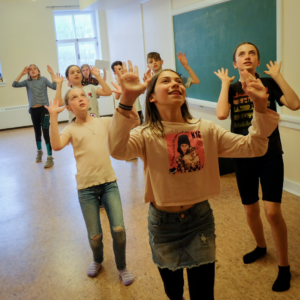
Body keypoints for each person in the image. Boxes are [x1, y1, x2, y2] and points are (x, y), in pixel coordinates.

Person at [107, 61, 279, 300]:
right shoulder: (146, 133)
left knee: (203, 294)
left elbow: (255, 146)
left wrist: (260, 106)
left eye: (178, 80)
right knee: (173, 292)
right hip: (162, 225)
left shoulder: (206, 129)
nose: (175, 83)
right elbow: (118, 150)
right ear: (152, 97)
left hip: (200, 221)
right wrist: (126, 99)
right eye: (165, 81)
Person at [214, 42, 300, 292]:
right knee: (250, 210)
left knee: (272, 213)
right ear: (235, 63)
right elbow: (221, 114)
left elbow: (295, 104)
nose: (247, 56)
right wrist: (223, 84)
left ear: (258, 61)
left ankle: (284, 267)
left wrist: (277, 76)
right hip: (242, 154)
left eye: (252, 53)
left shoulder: (269, 84)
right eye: (241, 53)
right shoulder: (231, 89)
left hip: (270, 154)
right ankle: (261, 247)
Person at [45, 88, 137, 286]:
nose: (80, 99)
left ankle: (121, 266)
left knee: (119, 229)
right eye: (74, 98)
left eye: (82, 95)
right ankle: (97, 260)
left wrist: (127, 98)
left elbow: (133, 121)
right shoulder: (71, 129)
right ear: (69, 107)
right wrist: (53, 117)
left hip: (109, 184)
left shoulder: (103, 121)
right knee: (95, 236)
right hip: (86, 188)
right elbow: (56, 145)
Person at [12, 64, 59, 168]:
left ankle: (50, 157)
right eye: (30, 70)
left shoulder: (43, 79)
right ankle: (39, 151)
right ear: (28, 73)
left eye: (35, 69)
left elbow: (54, 86)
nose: (32, 71)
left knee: (45, 131)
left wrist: (52, 73)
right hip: (34, 110)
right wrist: (22, 73)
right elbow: (14, 84)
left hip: (44, 110)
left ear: (38, 71)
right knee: (37, 132)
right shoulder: (27, 82)